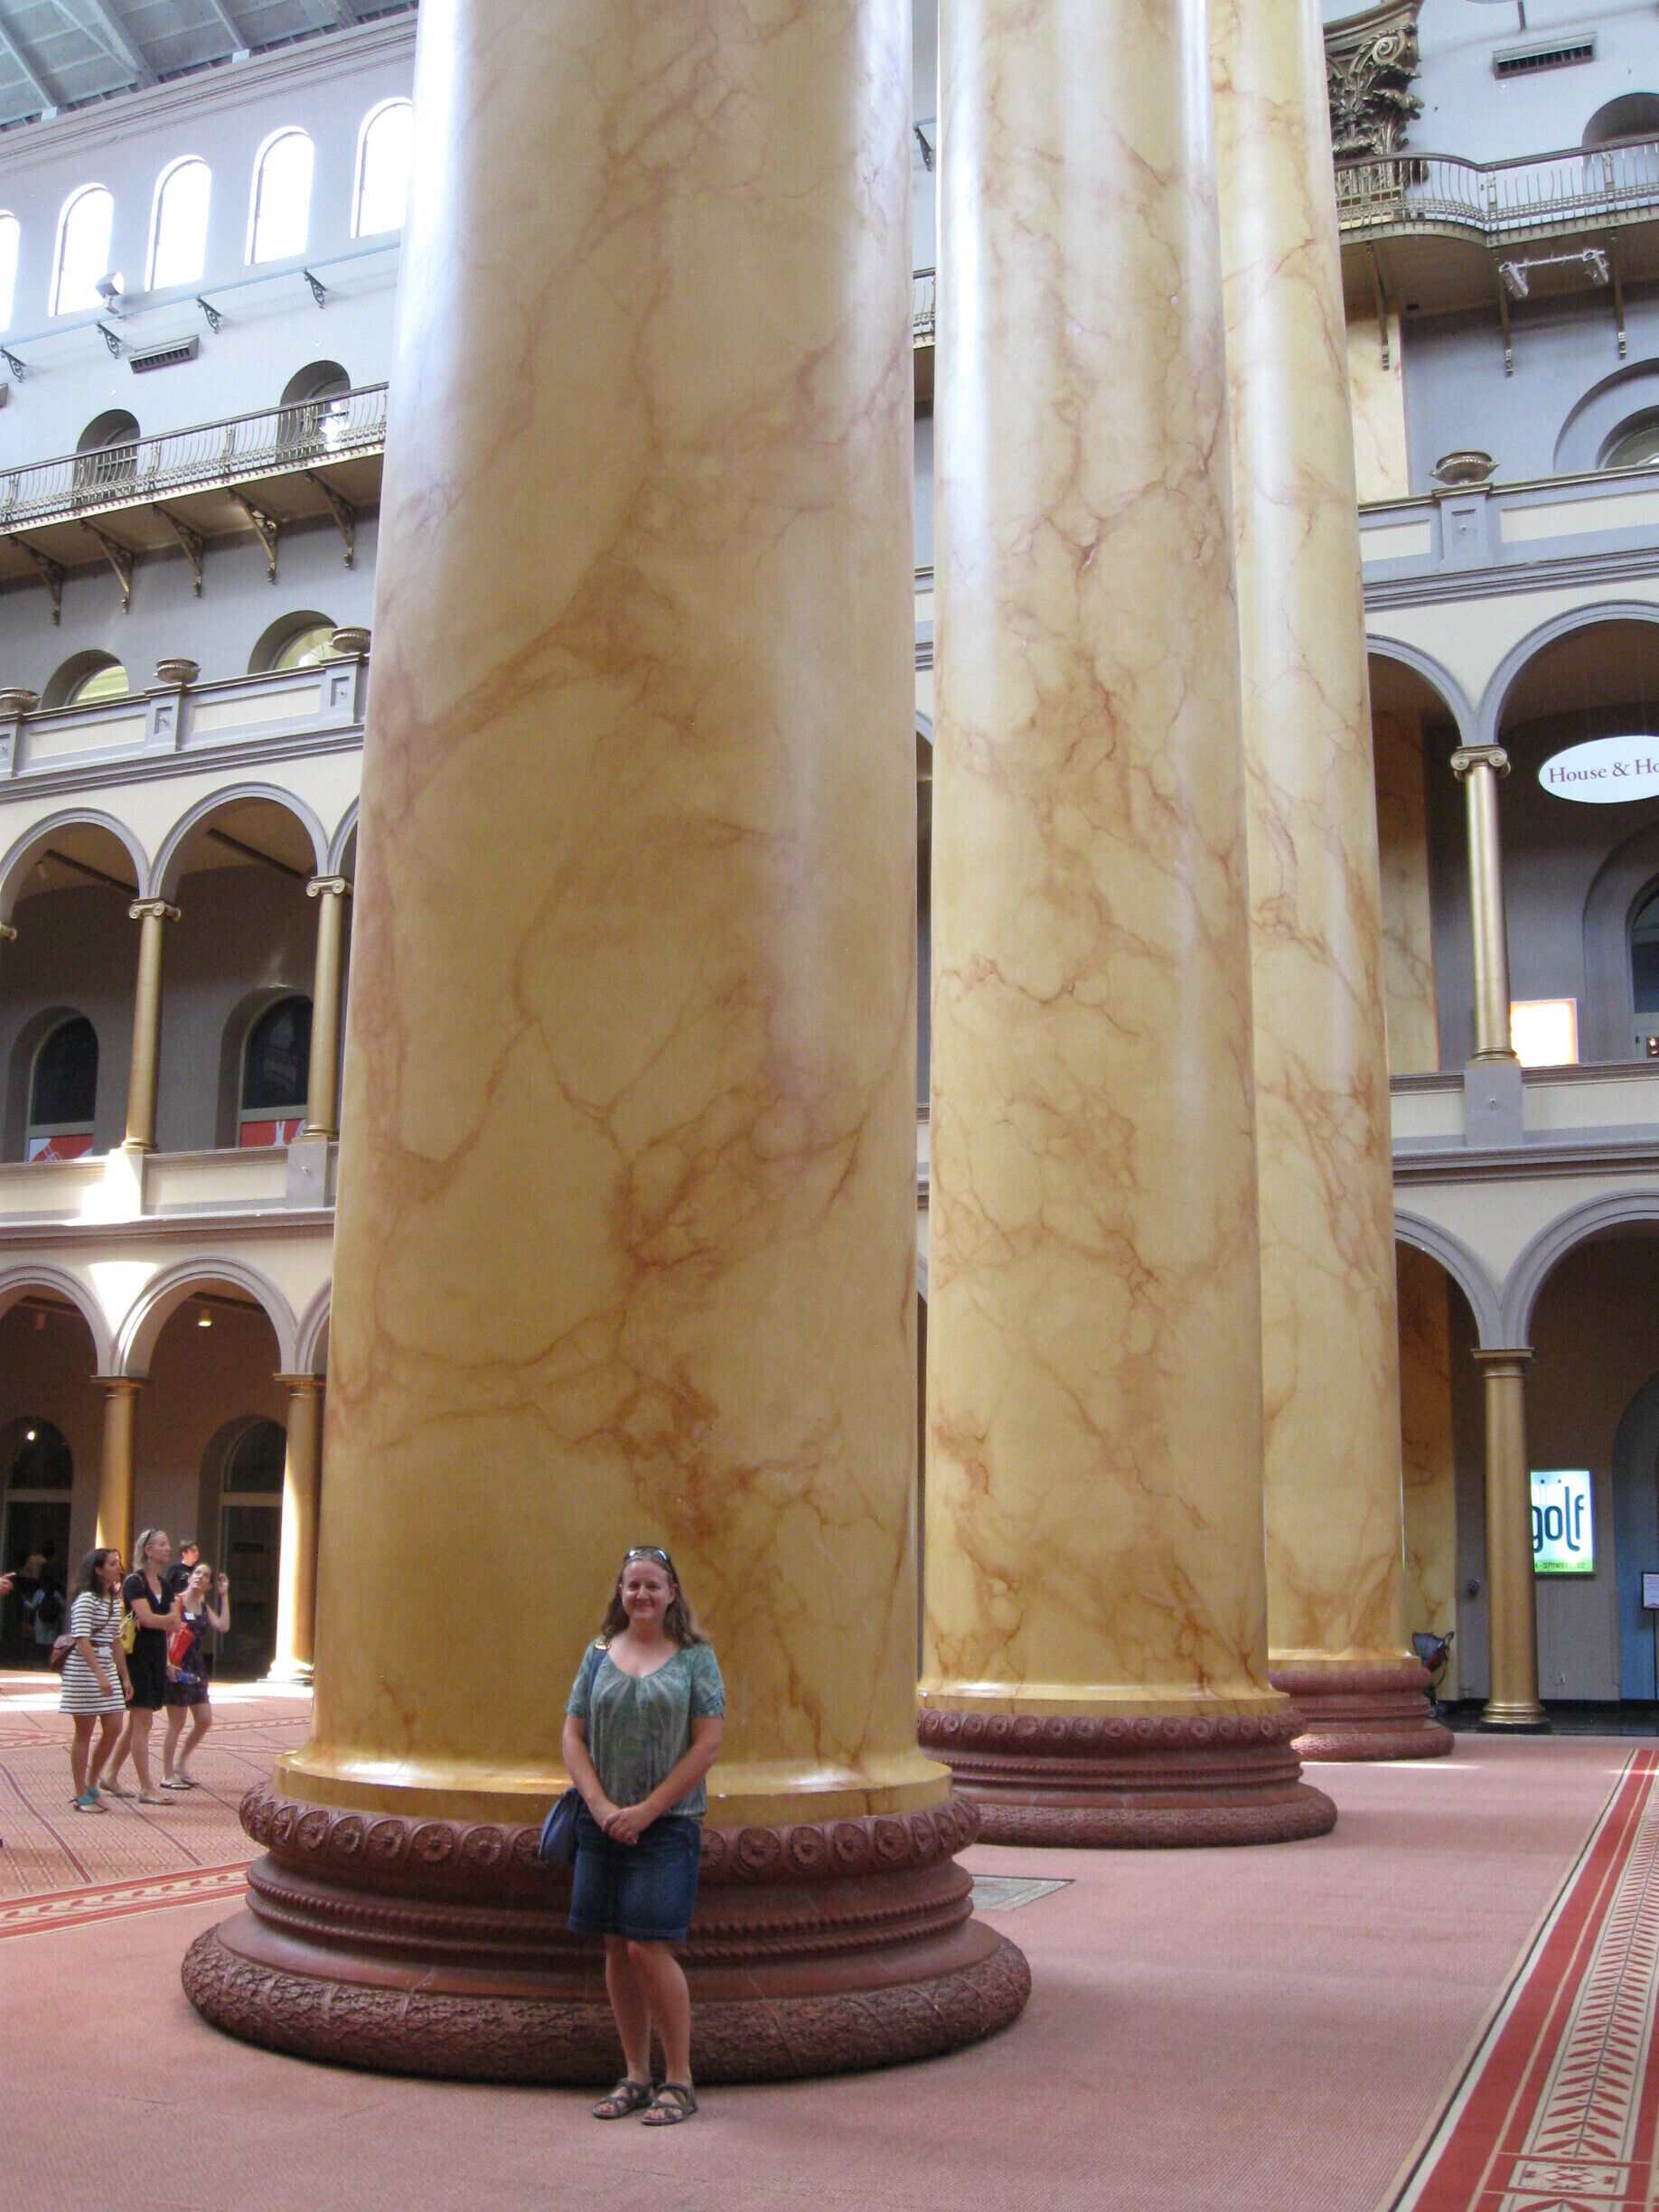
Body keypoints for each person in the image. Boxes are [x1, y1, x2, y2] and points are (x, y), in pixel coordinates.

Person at [562, 1545, 725, 2127]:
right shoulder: (600, 1652)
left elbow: (707, 1743)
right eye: (633, 1586)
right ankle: (635, 2073)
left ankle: (678, 2078)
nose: (642, 1596)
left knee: (646, 1946)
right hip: (601, 1823)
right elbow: (572, 1736)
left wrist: (648, 1810)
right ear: (621, 1593)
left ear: (672, 1593)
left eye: (653, 1586)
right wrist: (602, 1807)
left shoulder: (694, 1659)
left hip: (668, 1826)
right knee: (614, 1945)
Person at [103, 1528, 185, 1805]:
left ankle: (110, 1775)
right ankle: (147, 1787)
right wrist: (162, 1620)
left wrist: (165, 1658)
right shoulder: (134, 1583)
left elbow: (174, 1620)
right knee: (143, 1721)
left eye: (168, 1543)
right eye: (162, 1544)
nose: (168, 1548)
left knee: (138, 1721)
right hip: (136, 1656)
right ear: (148, 1551)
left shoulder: (166, 1583)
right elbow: (148, 1619)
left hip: (156, 1652)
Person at [59, 1549, 130, 1813]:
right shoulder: (86, 1599)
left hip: (105, 1665)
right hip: (83, 1669)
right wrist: (99, 1675)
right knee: (84, 1732)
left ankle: (92, 1781)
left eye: (117, 1563)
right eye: (112, 1564)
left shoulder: (113, 1599)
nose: (118, 1567)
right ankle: (81, 1794)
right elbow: (81, 1639)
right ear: (98, 1570)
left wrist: (124, 1676)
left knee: (114, 1725)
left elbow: (116, 1640)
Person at [161, 1563, 230, 1790]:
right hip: (178, 1665)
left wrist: (224, 1595)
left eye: (206, 1575)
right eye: (198, 1572)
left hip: (197, 1668)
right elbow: (165, 1631)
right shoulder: (177, 1602)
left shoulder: (203, 1605)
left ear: (209, 1585)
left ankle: (181, 1763)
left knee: (204, 1719)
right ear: (190, 1578)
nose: (201, 1577)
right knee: (177, 1723)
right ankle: (167, 1773)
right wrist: (168, 1663)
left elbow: (222, 1625)